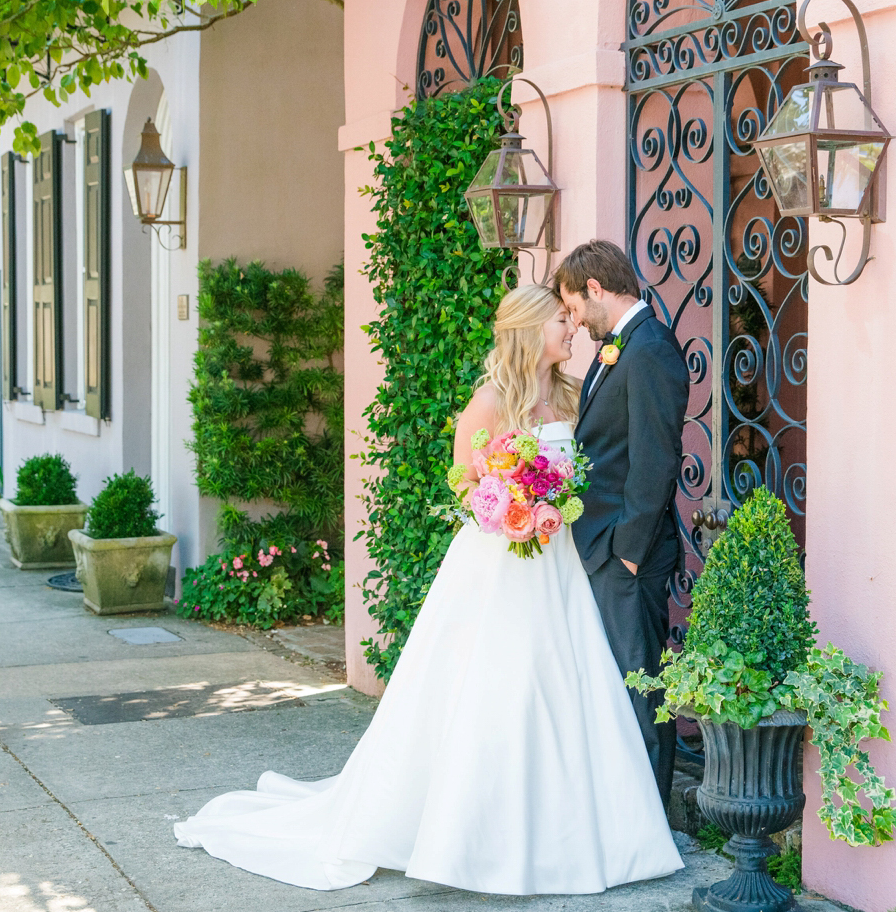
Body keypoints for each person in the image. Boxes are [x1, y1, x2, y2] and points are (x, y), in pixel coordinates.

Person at [174, 283, 683, 895]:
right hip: (503, 564)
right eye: (560, 321)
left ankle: (581, 832)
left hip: (561, 564)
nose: (571, 329)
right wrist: (509, 504)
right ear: (530, 331)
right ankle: (482, 838)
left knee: (569, 688)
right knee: (503, 690)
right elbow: (466, 483)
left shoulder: (573, 396)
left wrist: (552, 503)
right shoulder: (492, 402)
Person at [554, 240, 690, 813]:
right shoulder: (621, 347)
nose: (575, 321)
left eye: (574, 307)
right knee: (618, 682)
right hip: (604, 547)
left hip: (625, 552)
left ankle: (651, 816)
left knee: (640, 684)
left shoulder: (650, 349)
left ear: (594, 289)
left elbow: (656, 460)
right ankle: (621, 810)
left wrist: (628, 553)